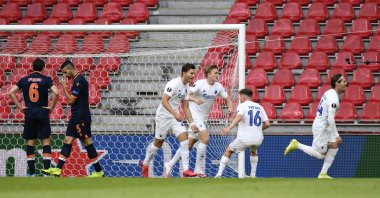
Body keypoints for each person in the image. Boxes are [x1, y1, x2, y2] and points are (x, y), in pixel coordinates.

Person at [164, 65, 233, 178]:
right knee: (205, 138)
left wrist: (230, 108)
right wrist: (195, 99)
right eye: (215, 73)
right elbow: (186, 95)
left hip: (203, 118)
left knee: (189, 145)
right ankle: (198, 169)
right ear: (209, 74)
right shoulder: (200, 84)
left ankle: (169, 164)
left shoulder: (218, 86)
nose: (217, 75)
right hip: (194, 116)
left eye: (218, 73)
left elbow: (227, 99)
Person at [42, 60, 104, 177]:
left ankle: (99, 171)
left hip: (80, 117)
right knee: (67, 140)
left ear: (70, 69)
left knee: (87, 142)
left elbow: (71, 100)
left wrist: (64, 87)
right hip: (75, 116)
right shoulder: (76, 80)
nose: (64, 75)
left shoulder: (79, 81)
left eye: (65, 72)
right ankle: (58, 169)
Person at [141, 63, 200, 178]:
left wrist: (192, 123)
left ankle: (186, 170)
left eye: (194, 73)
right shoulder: (173, 83)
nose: (193, 76)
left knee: (185, 142)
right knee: (158, 143)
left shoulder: (187, 87)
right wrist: (174, 113)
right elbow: (164, 101)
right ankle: (145, 163)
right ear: (184, 73)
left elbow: (186, 107)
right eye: (191, 73)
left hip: (174, 117)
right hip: (163, 117)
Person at [284, 74, 347, 179]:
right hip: (322, 127)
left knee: (334, 146)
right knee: (321, 155)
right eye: (343, 81)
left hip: (325, 126)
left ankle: (323, 174)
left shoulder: (329, 92)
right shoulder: (334, 99)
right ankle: (297, 144)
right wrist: (337, 135)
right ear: (337, 83)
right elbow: (330, 119)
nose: (346, 83)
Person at [9, 58, 59, 176]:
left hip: (30, 113)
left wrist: (20, 107)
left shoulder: (24, 80)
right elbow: (56, 92)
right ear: (43, 68)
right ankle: (46, 172)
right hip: (42, 112)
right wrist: (51, 107)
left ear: (32, 67)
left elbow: (11, 92)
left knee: (30, 142)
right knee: (46, 141)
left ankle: (31, 173)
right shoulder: (46, 79)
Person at [214, 88, 270, 178]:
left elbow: (239, 117)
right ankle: (253, 175)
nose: (239, 99)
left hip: (245, 138)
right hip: (258, 139)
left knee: (228, 150)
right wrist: (258, 130)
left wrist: (228, 128)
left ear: (243, 97)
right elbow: (267, 124)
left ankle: (219, 174)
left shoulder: (242, 105)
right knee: (253, 150)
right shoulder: (260, 107)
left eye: (240, 97)